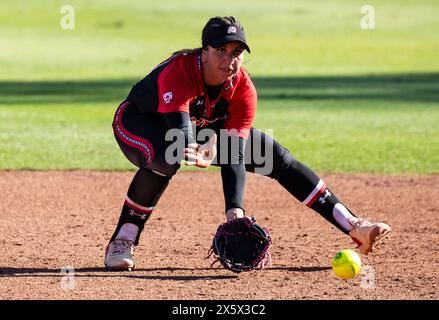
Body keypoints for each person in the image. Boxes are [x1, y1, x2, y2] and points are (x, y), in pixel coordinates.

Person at [104, 16, 391, 271]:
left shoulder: (243, 89)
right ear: (204, 52)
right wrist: (200, 147)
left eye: (237, 52)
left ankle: (355, 226)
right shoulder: (179, 72)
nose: (230, 59)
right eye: (221, 50)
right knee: (168, 156)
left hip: (196, 130)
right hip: (138, 124)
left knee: (276, 157)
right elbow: (180, 135)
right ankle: (123, 239)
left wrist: (235, 214)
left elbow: (234, 155)